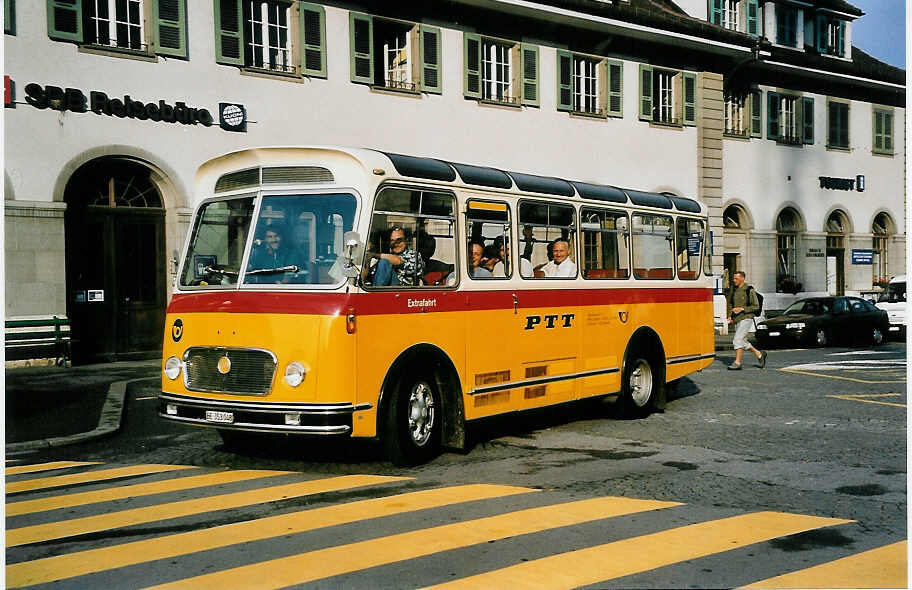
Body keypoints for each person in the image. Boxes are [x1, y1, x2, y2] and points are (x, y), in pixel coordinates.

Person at [727, 270, 767, 370]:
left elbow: (756, 306)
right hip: (737, 319)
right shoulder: (734, 289)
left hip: (747, 317)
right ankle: (759, 354)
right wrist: (730, 316)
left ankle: (737, 362)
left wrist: (742, 309)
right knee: (742, 341)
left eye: (736, 278)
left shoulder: (749, 290)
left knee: (737, 339)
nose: (734, 280)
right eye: (734, 278)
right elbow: (731, 304)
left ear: (742, 278)